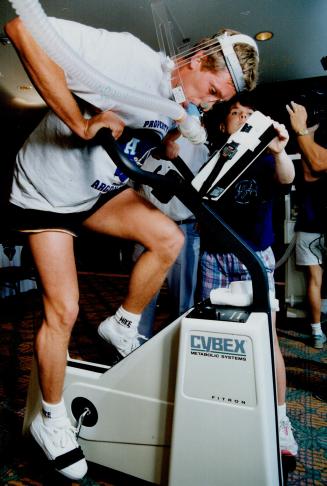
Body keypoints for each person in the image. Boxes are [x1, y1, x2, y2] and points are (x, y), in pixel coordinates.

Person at [5, 14, 259, 480]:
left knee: (170, 238)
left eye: (220, 100)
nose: (209, 102)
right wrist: (81, 123)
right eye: (212, 90)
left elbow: (159, 131)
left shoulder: (181, 103)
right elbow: (22, 29)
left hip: (94, 193)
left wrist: (171, 141)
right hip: (45, 194)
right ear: (198, 60)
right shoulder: (128, 57)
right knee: (63, 309)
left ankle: (121, 324)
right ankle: (53, 420)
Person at [199, 94, 298, 456]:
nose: (241, 118)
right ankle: (220, 409)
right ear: (224, 124)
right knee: (215, 337)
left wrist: (278, 150)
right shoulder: (212, 159)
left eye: (248, 114)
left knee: (264, 336)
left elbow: (286, 179)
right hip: (213, 256)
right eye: (235, 113)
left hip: (253, 258)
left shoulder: (265, 157)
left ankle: (280, 418)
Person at [131, 133, 209, 340]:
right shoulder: (144, 144)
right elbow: (131, 185)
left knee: (183, 300)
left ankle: (178, 348)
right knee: (142, 295)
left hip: (184, 227)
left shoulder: (199, 147)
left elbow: (205, 191)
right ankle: (134, 348)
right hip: (148, 226)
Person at [286, 102, 327, 348]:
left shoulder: (303, 152)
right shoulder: (316, 154)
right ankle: (317, 331)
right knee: (315, 282)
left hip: (307, 226)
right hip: (316, 225)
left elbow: (311, 168)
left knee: (314, 281)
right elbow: (316, 165)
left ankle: (316, 332)